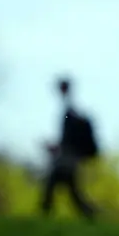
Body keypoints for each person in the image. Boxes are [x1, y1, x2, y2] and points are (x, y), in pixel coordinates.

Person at [41, 76, 98, 220]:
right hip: (70, 156)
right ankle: (90, 214)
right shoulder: (70, 110)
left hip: (68, 157)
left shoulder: (70, 112)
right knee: (72, 191)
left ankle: (44, 213)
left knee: (54, 183)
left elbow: (68, 137)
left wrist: (57, 148)